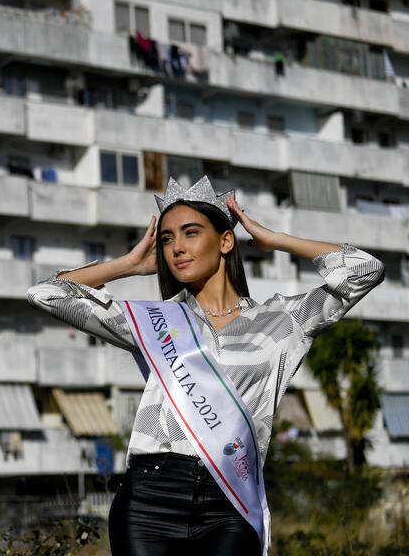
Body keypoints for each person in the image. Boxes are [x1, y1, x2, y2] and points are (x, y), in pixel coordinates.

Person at [26, 176, 384, 556]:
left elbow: (364, 270)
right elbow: (47, 294)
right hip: (149, 497)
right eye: (167, 239)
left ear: (225, 241)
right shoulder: (154, 321)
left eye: (190, 233)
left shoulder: (283, 321)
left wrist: (274, 239)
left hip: (229, 499)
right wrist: (129, 264)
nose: (176, 247)